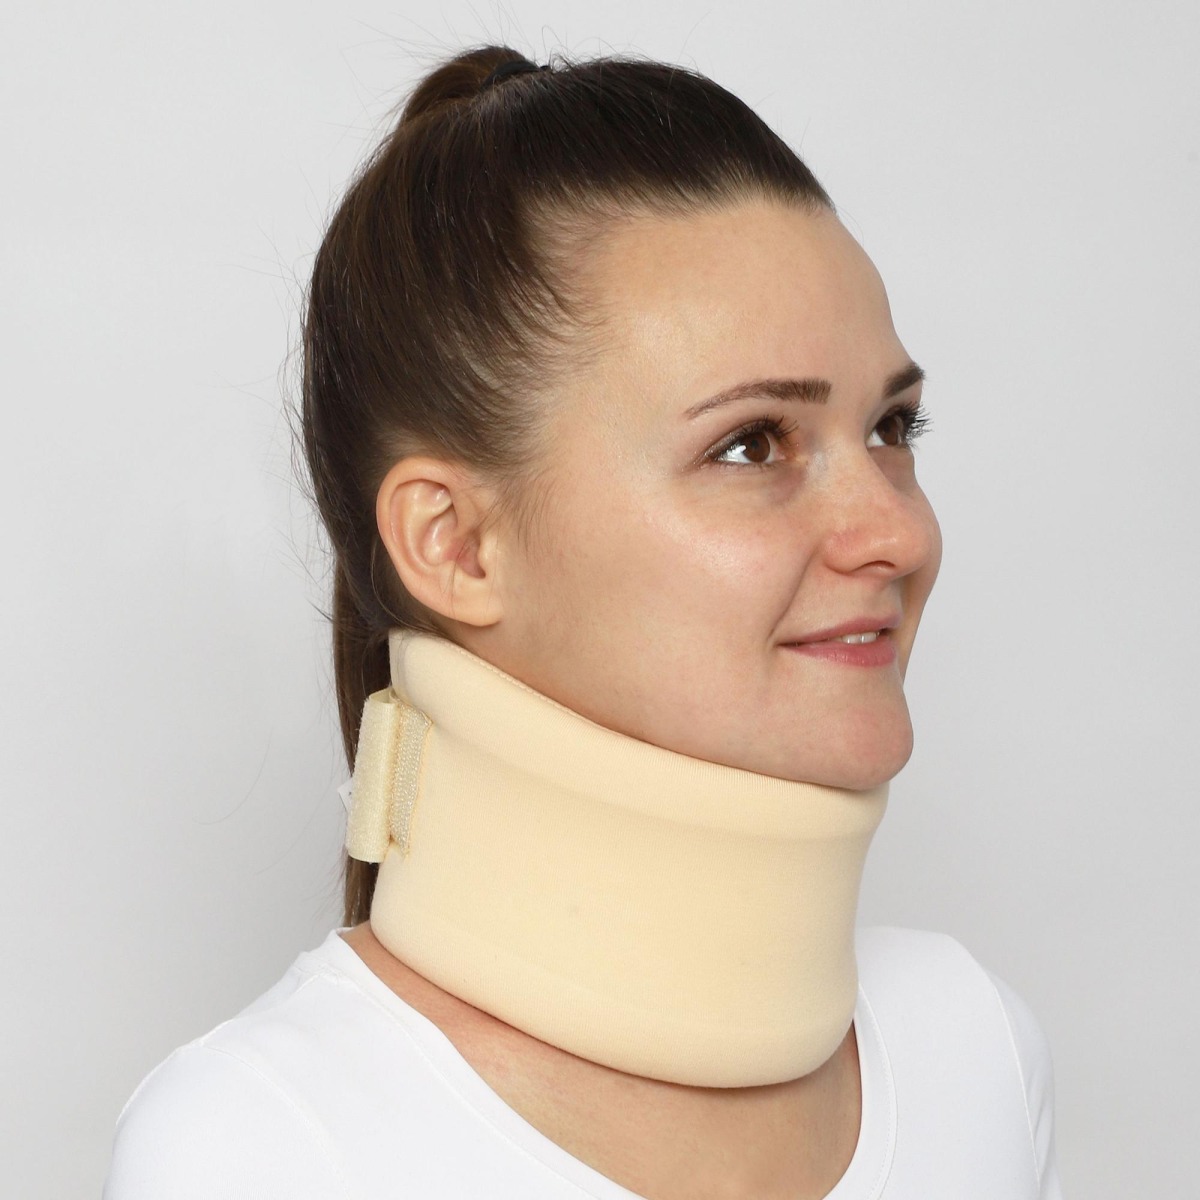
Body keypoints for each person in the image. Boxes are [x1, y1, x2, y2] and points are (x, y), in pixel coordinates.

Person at [103, 45, 1063, 1200]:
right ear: (456, 544)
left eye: (892, 430)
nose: (898, 534)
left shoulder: (972, 1052)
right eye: (751, 444)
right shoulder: (264, 1148)